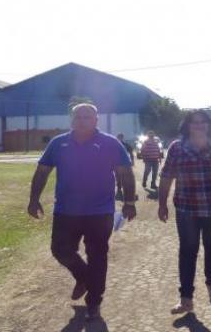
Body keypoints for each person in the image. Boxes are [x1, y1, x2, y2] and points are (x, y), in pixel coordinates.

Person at [27, 103, 137, 321]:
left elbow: (125, 173)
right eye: (78, 116)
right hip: (66, 210)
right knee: (59, 249)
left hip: (100, 211)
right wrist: (33, 199)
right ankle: (84, 276)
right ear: (72, 120)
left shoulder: (110, 143)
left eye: (87, 117)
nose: (82, 120)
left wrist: (129, 202)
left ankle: (94, 301)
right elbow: (42, 171)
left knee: (97, 255)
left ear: (96, 121)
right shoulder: (59, 143)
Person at [157, 110, 211, 314]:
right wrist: (162, 203)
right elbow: (167, 176)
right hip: (187, 209)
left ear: (208, 125)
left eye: (203, 122)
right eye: (194, 122)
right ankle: (186, 298)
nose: (199, 125)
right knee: (188, 250)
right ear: (187, 126)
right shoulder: (177, 148)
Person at [115, 133, 135, 200]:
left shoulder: (125, 145)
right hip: (117, 164)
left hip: (124, 164)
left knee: (123, 177)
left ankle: (122, 190)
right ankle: (119, 189)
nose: (120, 139)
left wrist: (132, 160)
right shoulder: (114, 145)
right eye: (119, 137)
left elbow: (131, 152)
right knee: (118, 177)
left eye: (120, 137)